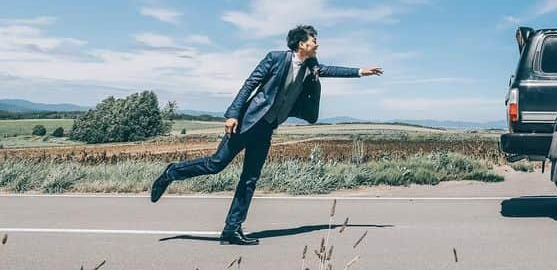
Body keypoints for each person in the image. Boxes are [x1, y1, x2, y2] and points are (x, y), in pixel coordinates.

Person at [149, 25, 382, 245]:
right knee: (216, 164)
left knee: (250, 178)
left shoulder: (311, 65)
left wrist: (361, 71)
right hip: (248, 123)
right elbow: (250, 85)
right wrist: (233, 114)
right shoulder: (276, 58)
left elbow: (331, 70)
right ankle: (172, 172)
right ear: (301, 43)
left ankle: (232, 229)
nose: (317, 44)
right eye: (314, 40)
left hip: (267, 128)